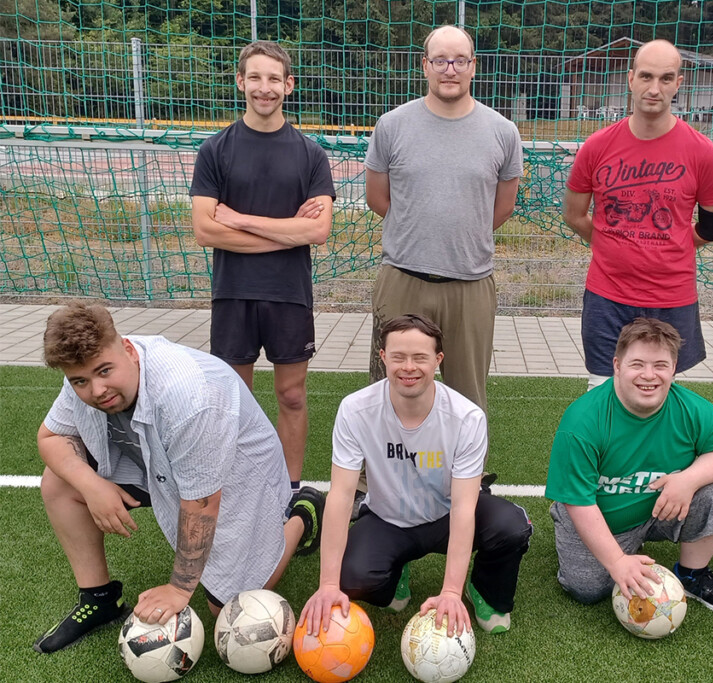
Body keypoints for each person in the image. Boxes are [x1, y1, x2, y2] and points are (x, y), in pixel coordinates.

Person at [33, 303, 324, 653]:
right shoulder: (88, 370)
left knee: (229, 608)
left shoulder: (188, 394)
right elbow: (50, 437)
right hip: (157, 465)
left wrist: (179, 589)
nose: (96, 390)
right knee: (60, 482)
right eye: (80, 381)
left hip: (237, 475)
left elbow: (202, 502)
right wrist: (91, 484)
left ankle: (301, 516)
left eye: (104, 371)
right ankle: (100, 599)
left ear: (128, 350)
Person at [299, 314, 533, 636]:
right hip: (388, 519)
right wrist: (327, 584)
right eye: (398, 357)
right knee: (351, 579)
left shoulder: (466, 418)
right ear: (383, 358)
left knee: (512, 527)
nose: (408, 367)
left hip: (446, 515)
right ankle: (397, 571)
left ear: (438, 360)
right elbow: (340, 495)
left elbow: (465, 507)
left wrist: (451, 590)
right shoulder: (355, 410)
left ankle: (484, 590)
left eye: (420, 358)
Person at [191, 40, 336, 493]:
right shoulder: (215, 150)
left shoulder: (310, 154)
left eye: (274, 79)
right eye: (255, 77)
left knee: (291, 396)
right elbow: (206, 231)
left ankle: (290, 489)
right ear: (241, 82)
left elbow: (318, 232)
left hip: (289, 294)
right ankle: (240, 487)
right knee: (236, 402)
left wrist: (242, 220)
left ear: (289, 85)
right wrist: (285, 231)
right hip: (233, 293)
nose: (264, 87)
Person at [363, 25, 523, 414]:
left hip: (470, 285)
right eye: (440, 60)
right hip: (403, 278)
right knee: (390, 391)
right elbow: (378, 198)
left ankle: (467, 474)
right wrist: (420, 228)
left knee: (466, 398)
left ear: (473, 67)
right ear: (425, 66)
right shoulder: (392, 125)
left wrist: (459, 231)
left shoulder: (503, 132)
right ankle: (377, 475)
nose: (449, 69)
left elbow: (500, 209)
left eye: (459, 61)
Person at [562, 39, 713, 390]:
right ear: (630, 79)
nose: (654, 89)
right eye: (646, 76)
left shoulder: (703, 154)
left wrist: (673, 243)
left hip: (672, 297)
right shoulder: (597, 147)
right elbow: (574, 215)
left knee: (661, 396)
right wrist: (614, 243)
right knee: (604, 391)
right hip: (607, 297)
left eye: (666, 79)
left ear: (679, 83)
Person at [545, 318, 713, 613]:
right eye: (637, 364)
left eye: (660, 365)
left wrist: (688, 480)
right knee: (587, 589)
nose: (649, 375)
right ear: (617, 366)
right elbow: (578, 501)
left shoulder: (691, 409)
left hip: (659, 508)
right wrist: (616, 561)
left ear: (674, 368)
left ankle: (693, 574)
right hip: (602, 515)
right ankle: (615, 548)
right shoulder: (583, 421)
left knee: (712, 490)